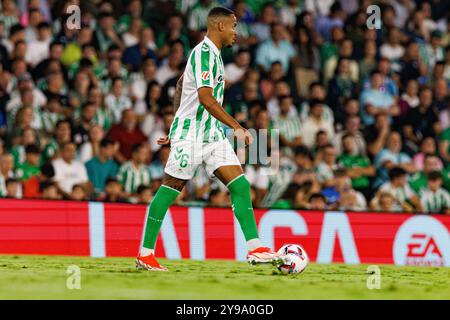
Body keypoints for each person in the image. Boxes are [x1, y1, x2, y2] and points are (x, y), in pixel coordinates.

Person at [137, 7, 279, 272]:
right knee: (172, 187)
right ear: (221, 26)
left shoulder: (214, 56)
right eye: (234, 26)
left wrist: (174, 121)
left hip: (211, 134)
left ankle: (255, 247)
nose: (237, 33)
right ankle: (145, 253)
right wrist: (236, 127)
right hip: (192, 134)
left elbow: (181, 85)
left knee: (240, 185)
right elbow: (205, 98)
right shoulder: (203, 53)